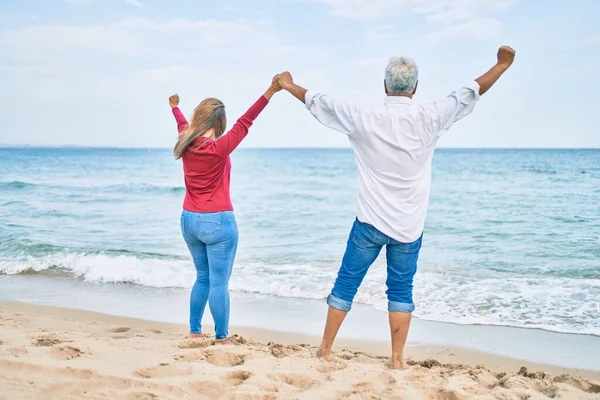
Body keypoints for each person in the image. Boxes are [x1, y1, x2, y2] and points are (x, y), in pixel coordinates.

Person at [275, 45, 516, 368]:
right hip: (408, 226)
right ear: (414, 87)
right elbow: (470, 92)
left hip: (369, 223)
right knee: (401, 289)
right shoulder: (430, 116)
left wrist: (289, 86)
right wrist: (501, 65)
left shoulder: (363, 116)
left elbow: (318, 101)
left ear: (385, 85)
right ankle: (398, 360)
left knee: (346, 282)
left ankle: (326, 350)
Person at [169, 77, 282, 344]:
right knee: (219, 282)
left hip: (189, 221)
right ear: (219, 124)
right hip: (217, 222)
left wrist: (174, 107)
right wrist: (270, 91)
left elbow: (181, 123)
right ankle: (221, 337)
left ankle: (195, 330)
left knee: (203, 277)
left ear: (199, 119)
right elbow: (246, 121)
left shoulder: (185, 142)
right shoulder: (219, 148)